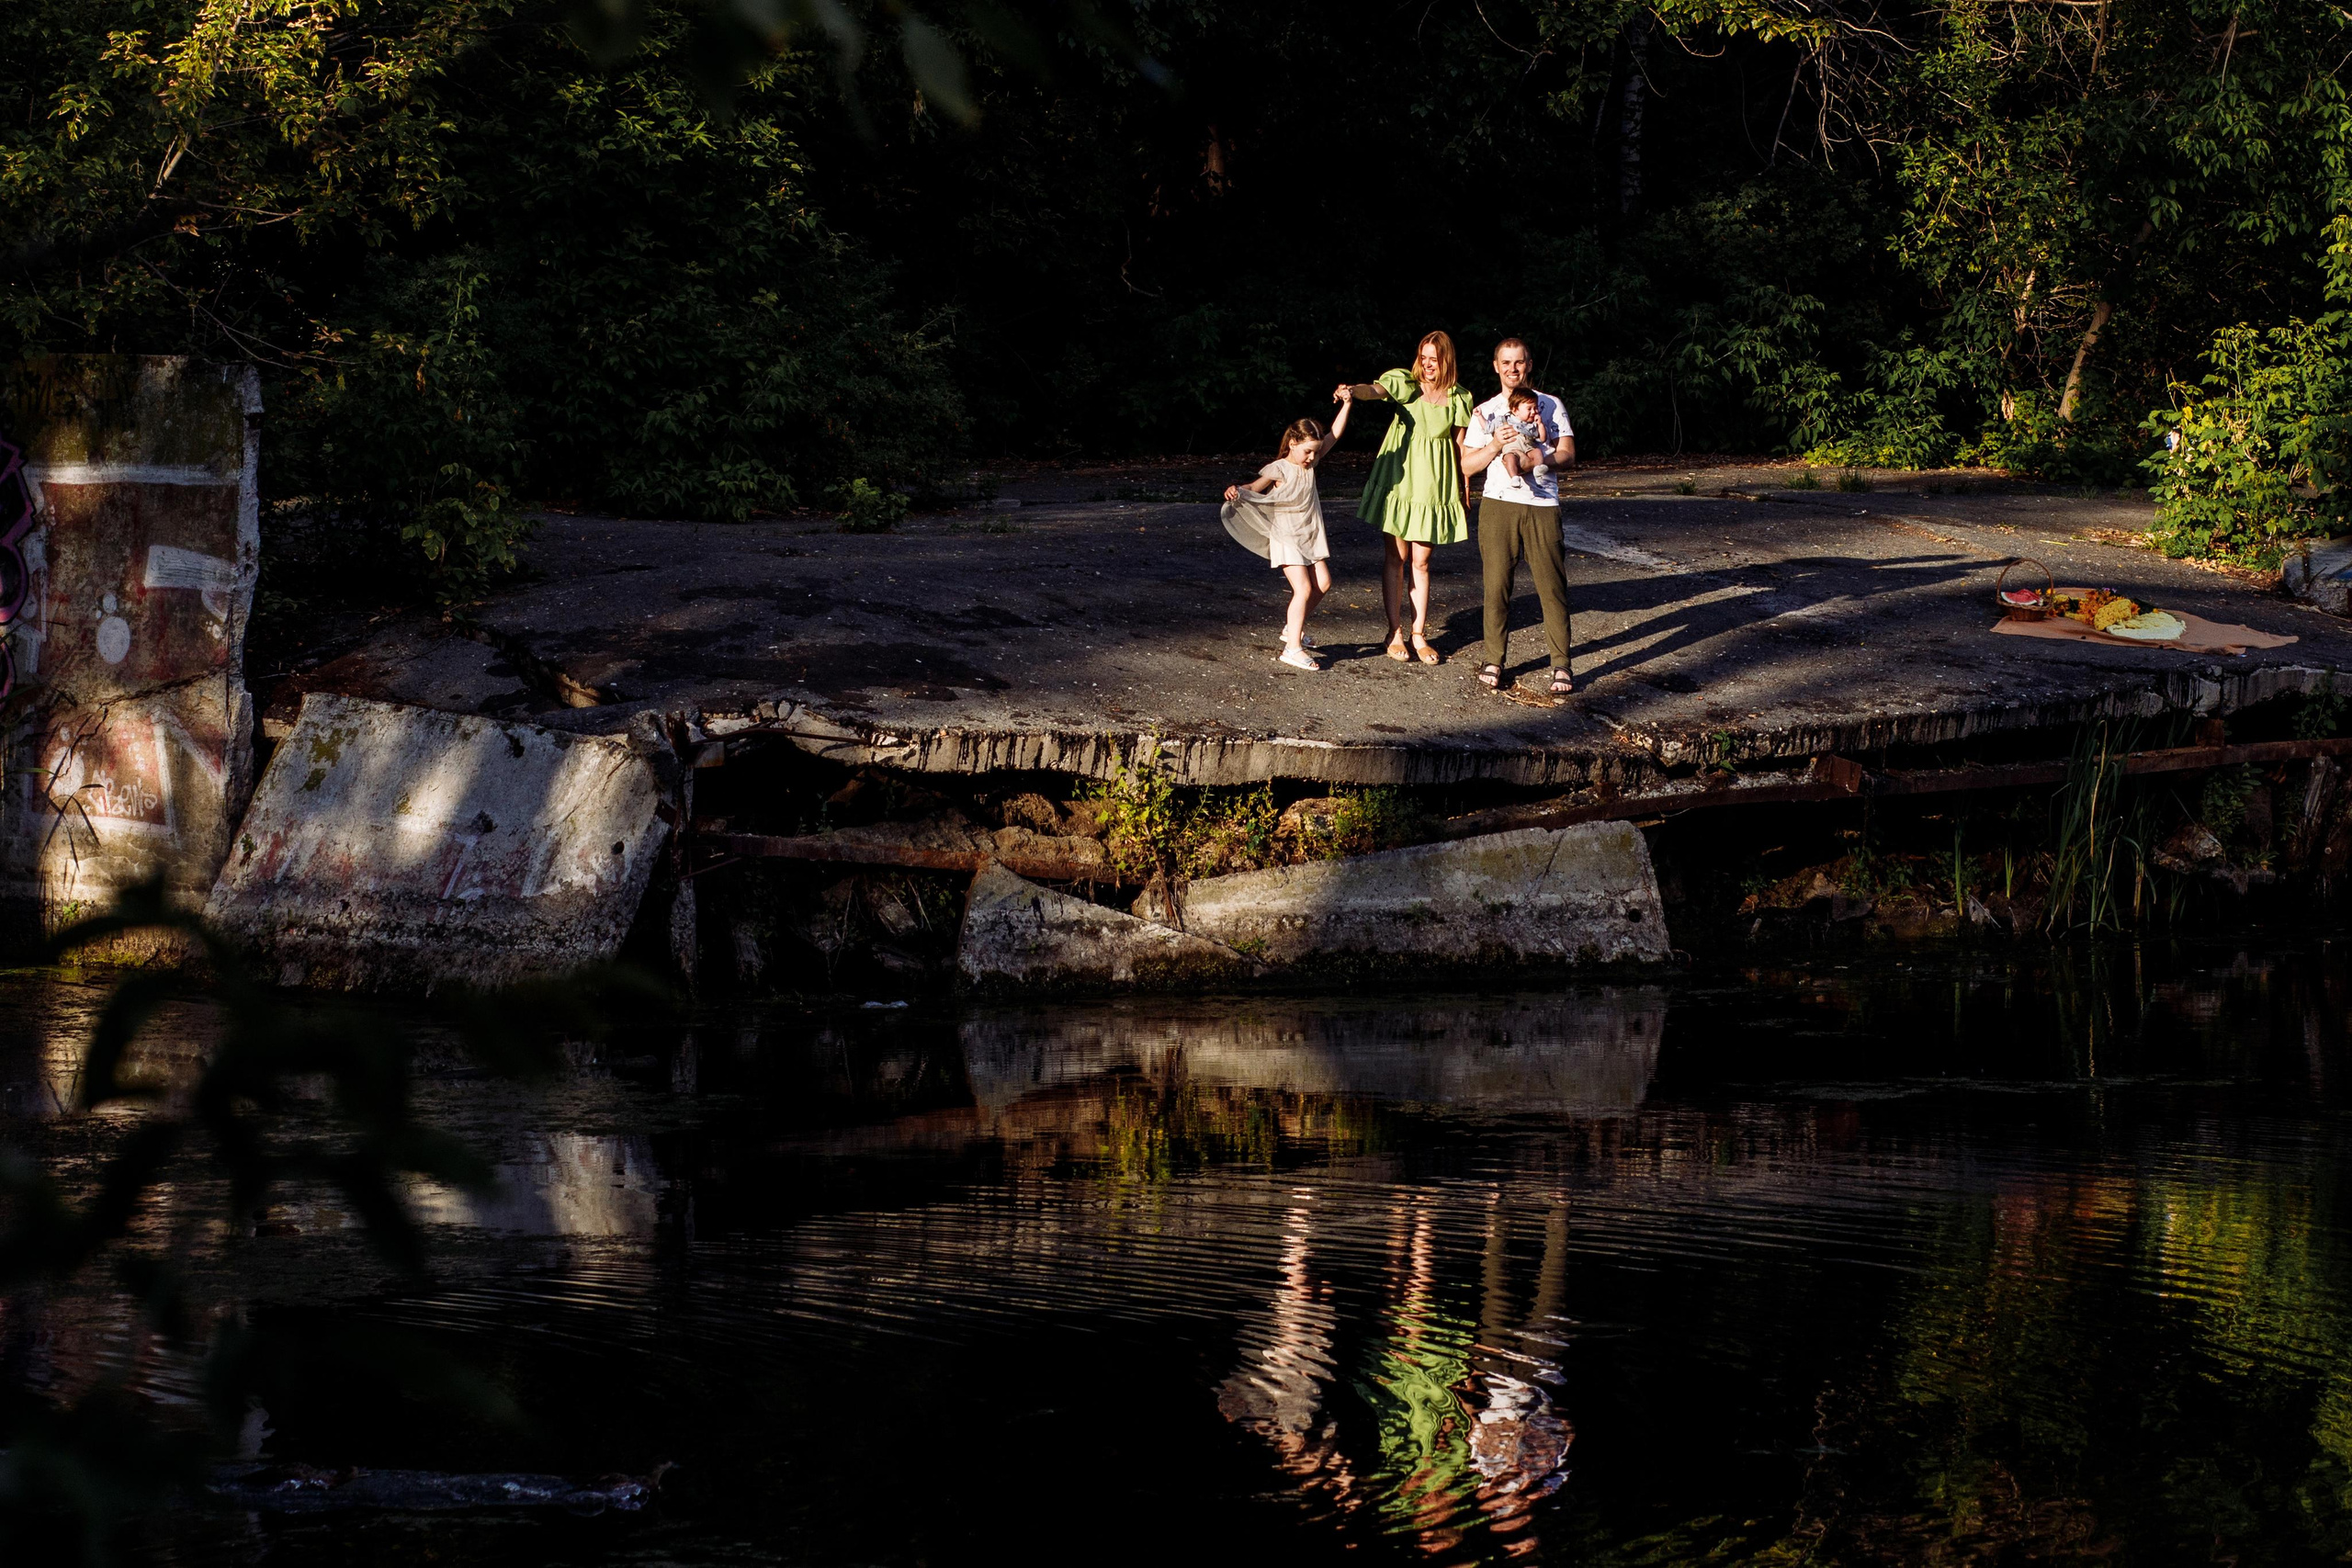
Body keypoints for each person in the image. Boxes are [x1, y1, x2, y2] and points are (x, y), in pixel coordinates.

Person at [1339, 331, 1474, 665]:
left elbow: (1460, 448)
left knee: (1422, 562)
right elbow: (1375, 390)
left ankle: (1419, 634)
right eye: (1424, 357)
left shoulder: (1460, 397)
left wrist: (1465, 488)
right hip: (1399, 482)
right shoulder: (1405, 384)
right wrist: (1352, 391)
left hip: (1434, 487)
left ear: (1447, 361)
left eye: (1435, 359)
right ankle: (1395, 631)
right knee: (1396, 559)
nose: (1428, 365)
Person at [1462, 337, 1577, 699]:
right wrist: (1495, 445)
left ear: (1530, 365)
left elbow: (1569, 454)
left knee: (1552, 589)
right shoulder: (1485, 410)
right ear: (1496, 366)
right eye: (1506, 362)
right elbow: (1465, 465)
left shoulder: (1550, 404)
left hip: (1543, 507)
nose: (1513, 369)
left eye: (1520, 362)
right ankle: (1494, 659)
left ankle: (1561, 664)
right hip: (1498, 505)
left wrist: (1537, 460)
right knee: (1496, 587)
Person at [1222, 394, 1352, 671]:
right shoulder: (1280, 468)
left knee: (1324, 584)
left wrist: (1347, 404)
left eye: (1316, 451)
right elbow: (1255, 488)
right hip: (1286, 536)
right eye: (1307, 451)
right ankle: (1292, 648)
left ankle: (1292, 628)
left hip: (1309, 534)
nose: (1312, 456)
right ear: (1293, 443)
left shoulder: (1311, 463)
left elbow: (1335, 434)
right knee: (1303, 588)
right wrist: (1236, 490)